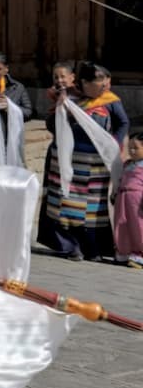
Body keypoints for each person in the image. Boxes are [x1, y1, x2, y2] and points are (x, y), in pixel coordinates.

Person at [42, 62, 130, 262]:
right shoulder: (69, 98)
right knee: (65, 205)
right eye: (99, 81)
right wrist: (61, 109)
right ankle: (69, 247)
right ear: (85, 83)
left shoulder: (110, 101)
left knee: (92, 209)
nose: (104, 84)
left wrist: (114, 143)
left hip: (96, 163)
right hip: (67, 161)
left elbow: (123, 122)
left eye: (105, 80)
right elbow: (52, 125)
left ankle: (93, 249)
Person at [37, 61, 78, 247]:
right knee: (53, 198)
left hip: (76, 156)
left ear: (72, 78)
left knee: (72, 200)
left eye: (63, 76)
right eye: (56, 77)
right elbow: (52, 126)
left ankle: (74, 243)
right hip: (55, 153)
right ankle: (58, 241)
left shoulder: (80, 98)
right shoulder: (56, 98)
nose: (60, 80)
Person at [113, 132, 143, 268]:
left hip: (137, 202)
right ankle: (124, 252)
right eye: (130, 147)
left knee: (138, 227)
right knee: (122, 225)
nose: (131, 151)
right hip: (123, 199)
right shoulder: (127, 164)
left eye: (135, 148)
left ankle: (140, 254)